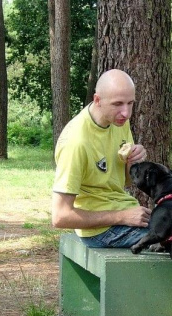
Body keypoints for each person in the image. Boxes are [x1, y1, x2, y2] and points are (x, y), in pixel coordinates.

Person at [51, 69, 151, 248]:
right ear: (97, 100)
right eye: (118, 104)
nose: (126, 113)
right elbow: (60, 216)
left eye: (130, 103)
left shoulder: (118, 121)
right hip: (99, 230)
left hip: (125, 211)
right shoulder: (76, 142)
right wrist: (123, 217)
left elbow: (126, 182)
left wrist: (133, 161)